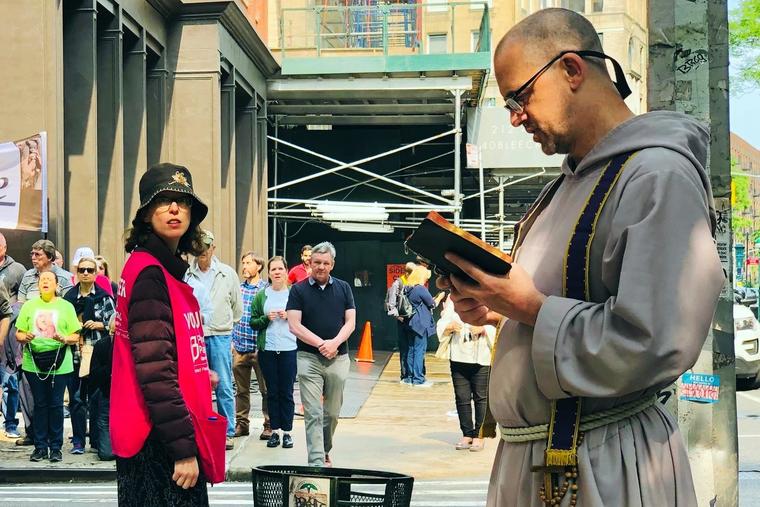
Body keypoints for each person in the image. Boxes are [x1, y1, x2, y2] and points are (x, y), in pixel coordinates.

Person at [438, 9, 724, 506]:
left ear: (571, 69)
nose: (514, 117)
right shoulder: (563, 186)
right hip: (539, 459)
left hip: (604, 464)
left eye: (520, 96)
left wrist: (528, 307)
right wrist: (495, 307)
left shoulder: (657, 175)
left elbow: (653, 341)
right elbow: (554, 304)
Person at [111, 162, 226, 506]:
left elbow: (156, 352)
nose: (176, 208)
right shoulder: (150, 273)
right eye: (164, 201)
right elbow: (154, 371)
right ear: (147, 215)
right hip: (157, 443)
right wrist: (183, 450)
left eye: (184, 201)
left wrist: (195, 372)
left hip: (158, 431)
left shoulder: (159, 268)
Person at [286, 242, 356, 467]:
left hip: (338, 358)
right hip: (308, 359)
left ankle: (324, 448)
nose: (321, 267)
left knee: (332, 413)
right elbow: (294, 325)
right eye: (317, 262)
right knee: (313, 413)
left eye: (326, 263)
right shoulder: (298, 290)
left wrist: (334, 343)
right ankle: (316, 463)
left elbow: (351, 322)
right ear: (310, 263)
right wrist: (320, 344)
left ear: (332, 265)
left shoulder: (344, 288)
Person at [185, 230, 243, 450]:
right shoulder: (187, 274)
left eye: (206, 247)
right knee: (196, 386)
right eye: (198, 247)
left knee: (224, 385)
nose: (202, 252)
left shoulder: (227, 274)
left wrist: (225, 327)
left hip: (219, 334)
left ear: (213, 248)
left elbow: (237, 308)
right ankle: (199, 428)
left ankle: (227, 431)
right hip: (195, 335)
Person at [15, 271, 81, 463]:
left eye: (49, 280)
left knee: (56, 404)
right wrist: (24, 337)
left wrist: (64, 338)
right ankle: (40, 447)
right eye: (42, 279)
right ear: (37, 284)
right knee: (40, 404)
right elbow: (19, 333)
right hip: (33, 362)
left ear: (56, 285)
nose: (45, 282)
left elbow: (75, 336)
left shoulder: (66, 306)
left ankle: (56, 448)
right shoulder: (29, 306)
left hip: (60, 362)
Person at [63, 256, 115, 454]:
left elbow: (115, 324)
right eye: (82, 269)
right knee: (76, 398)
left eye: (90, 270)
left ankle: (96, 440)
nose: (85, 273)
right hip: (74, 352)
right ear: (77, 273)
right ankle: (78, 441)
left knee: (96, 398)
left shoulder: (104, 297)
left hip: (96, 354)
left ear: (96, 274)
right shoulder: (68, 298)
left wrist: (99, 324)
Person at [435, 294, 495, 452]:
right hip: (459, 354)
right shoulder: (453, 296)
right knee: (462, 397)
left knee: (481, 398)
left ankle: (479, 435)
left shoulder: (488, 294)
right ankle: (467, 434)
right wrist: (449, 326)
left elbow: (500, 321)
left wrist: (484, 328)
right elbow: (443, 321)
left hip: (482, 356)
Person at [250, 256, 298, 449]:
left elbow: (304, 319)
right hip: (268, 349)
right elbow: (253, 322)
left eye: (280, 268)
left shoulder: (294, 294)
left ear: (286, 271)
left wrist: (290, 316)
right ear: (268, 273)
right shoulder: (262, 296)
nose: (277, 272)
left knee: (286, 392)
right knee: (272, 392)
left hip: (289, 348)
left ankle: (287, 432)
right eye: (273, 269)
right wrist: (265, 318)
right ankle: (274, 431)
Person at [231, 251, 269, 440]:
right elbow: (231, 315)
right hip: (240, 346)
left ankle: (268, 424)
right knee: (241, 390)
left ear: (259, 266)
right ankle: (242, 424)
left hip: (260, 348)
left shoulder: (266, 290)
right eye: (243, 262)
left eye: (248, 263)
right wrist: (231, 341)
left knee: (266, 389)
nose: (244, 267)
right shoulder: (238, 289)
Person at [401, 266, 436, 387]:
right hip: (420, 324)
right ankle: (418, 379)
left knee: (411, 350)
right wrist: (439, 298)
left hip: (409, 322)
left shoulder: (408, 289)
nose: (427, 279)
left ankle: (409, 377)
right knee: (419, 351)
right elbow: (432, 303)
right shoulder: (420, 289)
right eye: (426, 277)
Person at [87, 312, 115, 460]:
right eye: (112, 332)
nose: (114, 337)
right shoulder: (103, 345)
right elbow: (94, 373)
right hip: (106, 390)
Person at [385, 261, 416, 383]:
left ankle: (414, 373)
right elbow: (391, 304)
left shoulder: (415, 283)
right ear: (408, 273)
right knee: (404, 348)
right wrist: (398, 317)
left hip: (414, 320)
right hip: (403, 320)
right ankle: (405, 375)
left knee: (414, 348)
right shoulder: (398, 283)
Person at [0, 232, 27, 303]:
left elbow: (24, 296)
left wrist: (14, 311)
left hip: (9, 312)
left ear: (5, 248)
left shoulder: (18, 269)